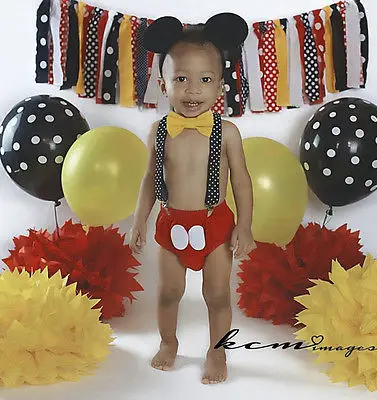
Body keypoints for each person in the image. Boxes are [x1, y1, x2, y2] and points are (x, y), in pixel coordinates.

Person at [130, 13, 256, 384]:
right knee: (169, 292)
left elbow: (242, 182)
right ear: (162, 84)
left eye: (205, 80)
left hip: (215, 225)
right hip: (171, 224)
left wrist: (245, 225)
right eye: (181, 79)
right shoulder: (159, 131)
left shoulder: (227, 132)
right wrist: (139, 221)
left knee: (216, 295)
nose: (193, 90)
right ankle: (168, 342)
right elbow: (150, 179)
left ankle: (217, 351)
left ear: (220, 85)